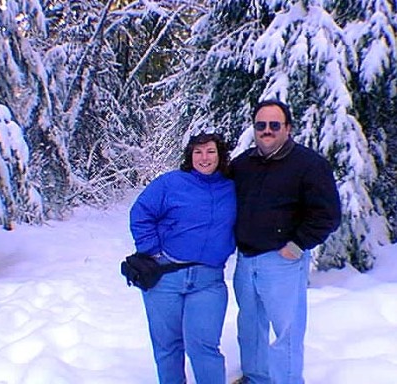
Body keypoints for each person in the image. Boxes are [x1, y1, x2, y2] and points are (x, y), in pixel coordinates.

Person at [230, 99, 341, 384]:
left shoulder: (309, 165)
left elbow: (328, 214)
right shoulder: (243, 164)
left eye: (274, 125)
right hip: (246, 261)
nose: (267, 131)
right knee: (250, 328)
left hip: (282, 263)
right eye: (261, 125)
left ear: (288, 128)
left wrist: (297, 244)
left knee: (286, 333)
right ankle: (256, 378)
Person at [129, 132, 237, 384]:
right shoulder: (171, 183)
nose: (204, 157)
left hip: (208, 282)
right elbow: (141, 212)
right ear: (190, 155)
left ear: (220, 155)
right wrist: (152, 250)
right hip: (164, 279)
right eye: (198, 152)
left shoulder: (232, 188)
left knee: (204, 347)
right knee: (168, 347)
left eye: (210, 151)